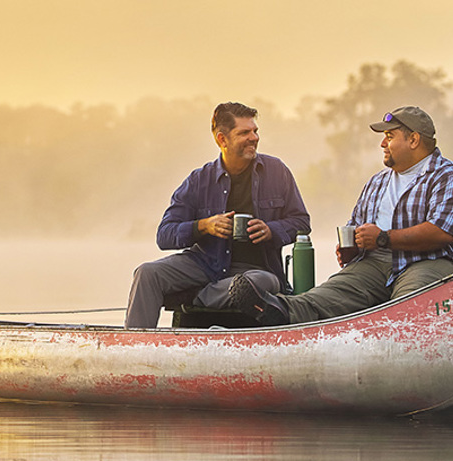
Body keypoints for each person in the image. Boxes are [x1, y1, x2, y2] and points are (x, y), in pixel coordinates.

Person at [229, 105, 453, 325]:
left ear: (413, 140)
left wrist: (383, 238)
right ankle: (276, 310)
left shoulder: (445, 176)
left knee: (407, 307)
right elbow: (355, 226)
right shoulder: (378, 181)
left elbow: (441, 232)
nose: (383, 144)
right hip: (374, 263)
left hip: (427, 261)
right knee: (324, 297)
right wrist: (353, 247)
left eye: (390, 136)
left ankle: (394, 341)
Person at [124, 102, 310, 328]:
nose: (254, 138)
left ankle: (192, 295)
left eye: (255, 131)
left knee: (259, 283)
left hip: (257, 271)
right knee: (146, 273)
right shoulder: (198, 180)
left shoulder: (276, 171)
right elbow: (164, 235)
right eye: (244, 133)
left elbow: (301, 221)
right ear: (222, 139)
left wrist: (271, 230)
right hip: (204, 265)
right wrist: (204, 226)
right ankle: (135, 345)